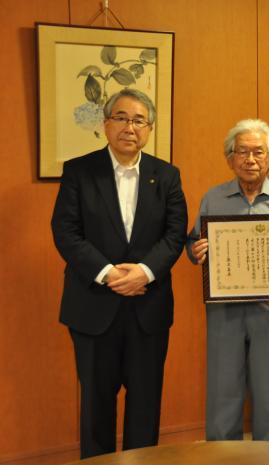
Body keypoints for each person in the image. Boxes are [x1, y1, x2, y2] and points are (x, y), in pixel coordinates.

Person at [51, 88, 187, 458]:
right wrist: (109, 274)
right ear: (106, 124)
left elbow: (175, 234)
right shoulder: (80, 171)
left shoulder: (167, 175)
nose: (130, 127)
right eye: (122, 118)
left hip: (149, 307)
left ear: (150, 128)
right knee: (95, 404)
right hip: (93, 306)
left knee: (145, 403)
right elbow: (65, 231)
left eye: (139, 120)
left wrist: (144, 271)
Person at [187, 119, 269, 441]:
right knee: (224, 387)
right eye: (242, 152)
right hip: (225, 308)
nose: (250, 160)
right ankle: (223, 455)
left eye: (258, 152)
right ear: (230, 158)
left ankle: (266, 453)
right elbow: (192, 242)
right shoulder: (214, 198)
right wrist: (195, 250)